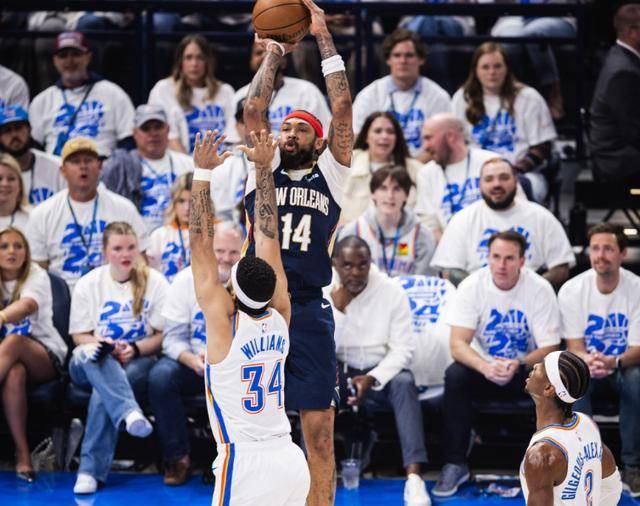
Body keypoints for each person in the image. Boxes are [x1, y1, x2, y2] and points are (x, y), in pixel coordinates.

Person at [242, 1, 353, 502]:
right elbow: (252, 109)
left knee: (319, 434)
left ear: (319, 139)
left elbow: (344, 108)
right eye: (285, 127)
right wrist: (275, 51)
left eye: (300, 128)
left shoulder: (331, 174)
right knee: (253, 436)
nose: (288, 133)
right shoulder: (260, 167)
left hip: (308, 311)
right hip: (258, 312)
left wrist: (322, 36)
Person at [191, 128, 310, 504]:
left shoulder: (224, 324)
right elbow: (269, 236)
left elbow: (199, 244)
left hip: (246, 461)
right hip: (290, 459)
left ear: (233, 290)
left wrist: (202, 174)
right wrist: (264, 168)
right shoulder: (281, 312)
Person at [433, 231, 561, 497]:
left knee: (554, 375)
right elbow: (457, 343)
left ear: (522, 261)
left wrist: (520, 362)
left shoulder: (539, 288)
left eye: (509, 258)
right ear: (487, 258)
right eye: (496, 257)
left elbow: (551, 347)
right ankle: (455, 463)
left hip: (526, 371)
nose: (502, 265)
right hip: (485, 369)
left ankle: (550, 465)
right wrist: (485, 367)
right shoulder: (472, 286)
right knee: (455, 374)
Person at [327, 235, 431, 505]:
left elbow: (403, 349)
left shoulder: (390, 290)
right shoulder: (324, 290)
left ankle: (414, 479)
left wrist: (372, 378)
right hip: (338, 369)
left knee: (405, 382)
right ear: (335, 264)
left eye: (362, 265)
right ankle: (310, 474)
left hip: (379, 371)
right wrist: (338, 309)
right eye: (348, 265)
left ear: (370, 262)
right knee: (315, 382)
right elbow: (321, 348)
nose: (356, 272)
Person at [68, 221, 168, 494]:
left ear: (138, 249)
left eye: (131, 247)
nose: (125, 254)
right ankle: (129, 411)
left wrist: (134, 349)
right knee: (94, 358)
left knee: (106, 390)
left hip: (138, 359)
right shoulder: (89, 283)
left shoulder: (155, 282)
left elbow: (162, 336)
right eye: (117, 248)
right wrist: (104, 344)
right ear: (104, 252)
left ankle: (89, 472)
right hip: (91, 359)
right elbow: (79, 335)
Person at [148, 221, 243, 486]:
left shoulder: (251, 281)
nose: (225, 258)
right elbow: (172, 339)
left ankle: (229, 460)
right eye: (219, 251)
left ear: (244, 252)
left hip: (237, 364)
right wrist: (190, 359)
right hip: (194, 362)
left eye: (233, 253)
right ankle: (178, 458)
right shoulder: (185, 280)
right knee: (160, 377)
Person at [559, 223, 640, 496]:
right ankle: (587, 465)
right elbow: (574, 346)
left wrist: (612, 362)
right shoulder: (572, 289)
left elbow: (637, 349)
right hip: (589, 366)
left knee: (637, 377)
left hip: (622, 368)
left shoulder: (637, 288)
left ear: (623, 253)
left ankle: (632, 466)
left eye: (608, 248)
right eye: (595, 248)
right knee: (573, 377)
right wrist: (587, 362)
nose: (600, 255)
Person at [430, 158, 574, 290]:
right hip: (476, 303)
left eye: (504, 178)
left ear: (515, 181)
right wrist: (481, 294)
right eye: (489, 179)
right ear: (479, 184)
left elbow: (561, 267)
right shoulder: (462, 219)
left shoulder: (541, 217)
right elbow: (449, 271)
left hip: (529, 301)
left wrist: (531, 290)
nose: (497, 184)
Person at [25, 137, 148, 290]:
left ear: (100, 166)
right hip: (64, 298)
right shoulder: (43, 213)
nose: (83, 166)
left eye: (88, 160)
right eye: (75, 161)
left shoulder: (123, 208)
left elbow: (141, 259)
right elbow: (38, 271)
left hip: (113, 293)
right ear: (63, 170)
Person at [0, 227, 67, 483]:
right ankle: (23, 453)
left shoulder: (36, 274)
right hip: (8, 361)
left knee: (15, 340)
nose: (12, 251)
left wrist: (3, 316)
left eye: (18, 246)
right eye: (4, 246)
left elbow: (28, 305)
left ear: (27, 252)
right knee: (14, 374)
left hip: (45, 353)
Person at [452, 42, 557, 203]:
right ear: (476, 71)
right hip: (473, 173)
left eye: (497, 66)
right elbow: (455, 143)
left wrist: (511, 172)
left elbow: (542, 148)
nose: (492, 72)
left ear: (507, 68)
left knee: (512, 188)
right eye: (485, 67)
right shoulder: (462, 98)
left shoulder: (529, 97)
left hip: (521, 174)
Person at [521, 351, 623, 506]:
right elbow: (612, 486)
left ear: (549, 388)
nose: (535, 365)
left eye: (542, 366)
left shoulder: (542, 455)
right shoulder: (586, 424)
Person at [28, 31, 135, 158]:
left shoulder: (113, 94)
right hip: (55, 170)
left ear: (88, 57)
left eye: (76, 54)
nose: (70, 61)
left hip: (101, 166)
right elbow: (34, 147)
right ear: (55, 61)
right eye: (63, 56)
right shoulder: (42, 100)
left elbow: (128, 140)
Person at [353, 28, 451, 159]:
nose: (403, 61)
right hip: (378, 167)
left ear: (421, 59)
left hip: (424, 169)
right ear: (388, 60)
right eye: (397, 55)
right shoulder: (370, 94)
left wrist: (413, 168)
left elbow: (442, 143)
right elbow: (356, 137)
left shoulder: (438, 96)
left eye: (409, 55)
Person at [101, 104, 194, 232]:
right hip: (137, 239)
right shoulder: (121, 167)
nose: (153, 134)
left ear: (167, 129)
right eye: (146, 129)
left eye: (158, 127)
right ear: (134, 133)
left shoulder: (188, 164)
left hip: (180, 238)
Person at [339, 166, 436, 277]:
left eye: (397, 189)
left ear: (407, 195)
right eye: (383, 188)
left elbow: (426, 284)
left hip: (407, 294)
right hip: (366, 294)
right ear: (373, 194)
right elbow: (342, 278)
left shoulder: (422, 235)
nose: (390, 196)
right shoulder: (354, 231)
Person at [415, 113, 498, 240]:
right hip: (450, 248)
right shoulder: (426, 174)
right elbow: (430, 223)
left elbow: (516, 206)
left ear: (450, 136)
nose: (425, 146)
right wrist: (450, 250)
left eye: (428, 138)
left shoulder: (491, 162)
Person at [148, 34, 236, 154]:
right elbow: (169, 137)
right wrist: (191, 168)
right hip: (181, 165)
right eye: (188, 58)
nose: (194, 64)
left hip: (222, 165)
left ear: (208, 61)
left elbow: (233, 134)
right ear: (180, 62)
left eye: (200, 57)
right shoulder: (163, 90)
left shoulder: (225, 91)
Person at [233, 40, 332, 139]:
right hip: (256, 152)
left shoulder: (307, 90)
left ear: (284, 62)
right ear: (251, 62)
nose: (266, 57)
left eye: (270, 54)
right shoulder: (241, 95)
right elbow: (232, 139)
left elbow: (324, 135)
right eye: (259, 53)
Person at [341, 111, 422, 225]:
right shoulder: (347, 162)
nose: (384, 136)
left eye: (390, 132)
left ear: (397, 138)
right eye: (378, 131)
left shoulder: (416, 169)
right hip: (350, 237)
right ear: (366, 137)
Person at [589, 4, 640, 183]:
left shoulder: (622, 58)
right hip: (617, 161)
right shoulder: (624, 71)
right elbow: (633, 130)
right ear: (633, 31)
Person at [0, 105, 66, 205]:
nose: (14, 135)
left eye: (18, 128)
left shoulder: (58, 166)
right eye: (7, 130)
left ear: (30, 130)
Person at [209, 99, 251, 224]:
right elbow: (221, 214)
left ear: (267, 123)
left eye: (255, 118)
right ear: (237, 127)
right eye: (244, 121)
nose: (250, 125)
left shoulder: (281, 160)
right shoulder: (224, 166)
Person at [147, 173, 192, 282]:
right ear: (173, 202)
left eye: (192, 201)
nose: (187, 208)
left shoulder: (216, 233)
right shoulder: (159, 236)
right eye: (181, 201)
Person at [0, 154, 31, 231]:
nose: (5, 184)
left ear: (20, 186)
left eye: (11, 179)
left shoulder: (34, 217)